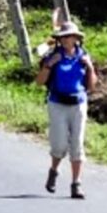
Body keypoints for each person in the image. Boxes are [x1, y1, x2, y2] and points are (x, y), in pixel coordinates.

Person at [37, 20, 96, 198]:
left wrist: (90, 67)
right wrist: (49, 65)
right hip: (57, 103)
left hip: (78, 103)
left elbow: (92, 86)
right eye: (62, 37)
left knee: (77, 144)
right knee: (59, 144)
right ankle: (54, 171)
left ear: (76, 39)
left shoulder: (83, 57)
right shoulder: (53, 57)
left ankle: (76, 184)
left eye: (69, 37)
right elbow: (39, 82)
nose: (65, 40)